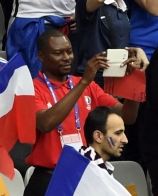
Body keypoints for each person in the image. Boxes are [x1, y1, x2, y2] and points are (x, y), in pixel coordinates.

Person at [26, 29, 121, 196]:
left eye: (69, 51)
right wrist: (84, 82)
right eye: (58, 53)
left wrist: (134, 84)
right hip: (49, 179)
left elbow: (127, 116)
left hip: (84, 177)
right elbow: (45, 123)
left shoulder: (86, 85)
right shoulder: (32, 88)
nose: (67, 58)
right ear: (41, 56)